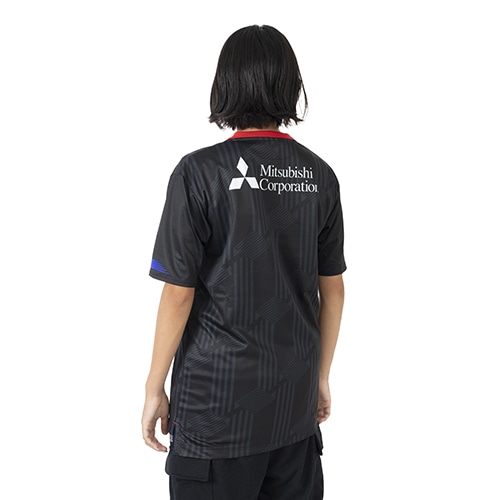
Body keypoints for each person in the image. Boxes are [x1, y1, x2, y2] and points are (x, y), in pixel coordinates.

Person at [141, 25, 346, 500]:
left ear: (225, 84)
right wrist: (320, 377)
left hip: (215, 416)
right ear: (290, 85)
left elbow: (178, 292)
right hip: (292, 412)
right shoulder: (320, 175)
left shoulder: (198, 173)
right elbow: (333, 289)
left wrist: (154, 386)